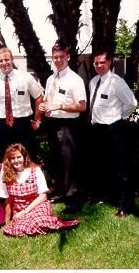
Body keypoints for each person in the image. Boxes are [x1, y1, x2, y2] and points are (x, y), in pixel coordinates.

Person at [87, 50, 137, 217]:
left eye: (102, 62)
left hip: (114, 128)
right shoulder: (93, 81)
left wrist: (119, 117)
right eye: (96, 63)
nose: (99, 65)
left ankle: (125, 205)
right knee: (102, 165)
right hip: (97, 129)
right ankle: (105, 197)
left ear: (109, 63)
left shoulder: (117, 82)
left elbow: (131, 103)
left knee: (121, 168)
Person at [38, 41, 86, 211]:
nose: (58, 60)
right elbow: (47, 100)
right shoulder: (51, 79)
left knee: (69, 163)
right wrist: (44, 105)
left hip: (68, 125)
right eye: (55, 57)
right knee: (55, 160)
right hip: (52, 123)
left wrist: (58, 106)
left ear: (68, 57)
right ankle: (60, 192)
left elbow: (82, 106)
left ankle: (73, 200)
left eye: (61, 57)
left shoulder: (75, 80)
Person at [0, 143, 79, 236]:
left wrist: (25, 212)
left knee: (37, 222)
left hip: (37, 205)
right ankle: (47, 225)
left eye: (18, 157)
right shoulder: (5, 174)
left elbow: (43, 196)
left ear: (24, 157)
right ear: (9, 160)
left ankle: (56, 223)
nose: (16, 161)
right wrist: (7, 222)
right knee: (20, 229)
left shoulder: (35, 170)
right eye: (12, 158)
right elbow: (8, 200)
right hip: (19, 209)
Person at [0, 47, 44, 161]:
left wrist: (38, 120)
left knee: (28, 159)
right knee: (2, 160)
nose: (4, 63)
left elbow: (39, 96)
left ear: (12, 60)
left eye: (7, 60)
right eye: (1, 61)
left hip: (23, 125)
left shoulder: (25, 77)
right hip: (2, 126)